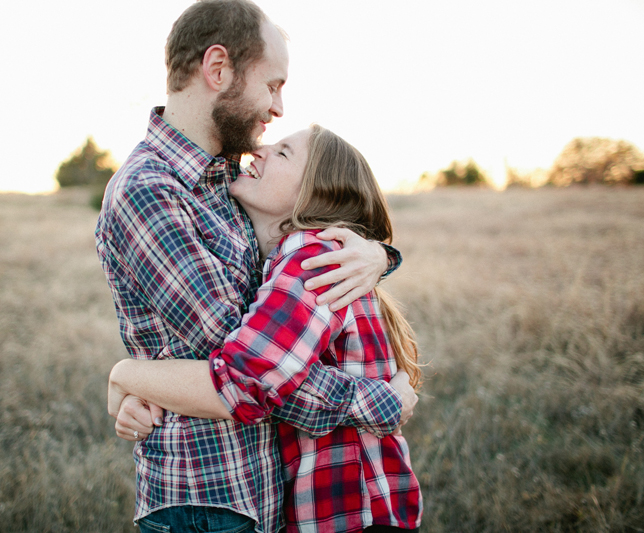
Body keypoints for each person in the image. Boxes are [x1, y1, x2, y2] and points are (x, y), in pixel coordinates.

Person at [95, 1, 417, 532]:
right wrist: (377, 399)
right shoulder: (150, 191)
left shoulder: (226, 182)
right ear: (218, 69)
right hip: (207, 498)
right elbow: (251, 373)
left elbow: (290, 267)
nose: (278, 107)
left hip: (266, 490)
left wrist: (375, 252)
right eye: (272, 85)